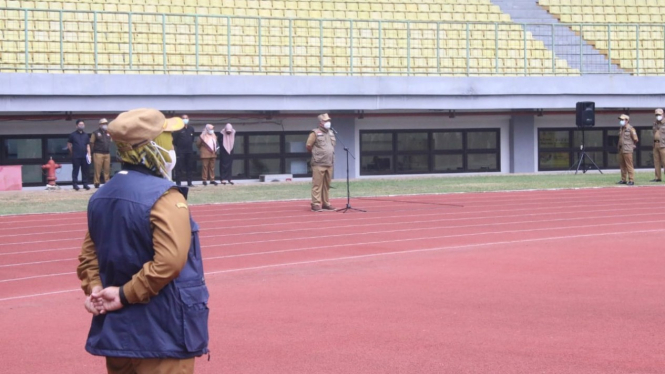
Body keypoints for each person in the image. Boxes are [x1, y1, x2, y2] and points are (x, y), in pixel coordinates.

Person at [77, 108, 209, 374]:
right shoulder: (166, 197)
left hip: (118, 334)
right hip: (163, 334)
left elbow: (88, 256)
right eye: (168, 138)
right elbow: (169, 262)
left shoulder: (101, 196)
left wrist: (96, 289)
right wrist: (124, 295)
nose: (172, 145)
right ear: (154, 146)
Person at [306, 113, 336, 212]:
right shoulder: (315, 133)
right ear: (320, 123)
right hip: (318, 163)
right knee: (317, 184)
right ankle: (316, 203)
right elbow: (308, 145)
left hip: (329, 163)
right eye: (326, 121)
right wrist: (316, 154)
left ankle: (326, 203)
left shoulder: (331, 132)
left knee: (327, 185)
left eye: (329, 121)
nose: (328, 123)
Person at [67, 119, 91, 191]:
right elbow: (69, 144)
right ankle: (75, 184)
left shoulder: (86, 135)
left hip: (84, 156)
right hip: (76, 155)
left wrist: (89, 155)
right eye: (80, 124)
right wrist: (72, 152)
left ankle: (85, 184)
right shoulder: (72, 135)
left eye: (82, 124)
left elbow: (88, 145)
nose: (81, 126)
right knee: (75, 170)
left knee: (85, 170)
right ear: (76, 126)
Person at [172, 114, 195, 187]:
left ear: (189, 119)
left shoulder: (191, 128)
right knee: (179, 167)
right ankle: (178, 183)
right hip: (180, 151)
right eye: (183, 118)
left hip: (189, 151)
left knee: (189, 167)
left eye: (186, 118)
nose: (185, 119)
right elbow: (174, 141)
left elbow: (192, 139)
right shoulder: (178, 129)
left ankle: (189, 182)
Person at [90, 118, 112, 188]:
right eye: (103, 124)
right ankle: (97, 182)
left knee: (107, 169)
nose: (105, 125)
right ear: (100, 125)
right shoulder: (95, 133)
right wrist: (92, 152)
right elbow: (92, 143)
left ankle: (107, 182)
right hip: (98, 153)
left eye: (106, 124)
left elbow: (110, 141)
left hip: (107, 153)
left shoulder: (108, 133)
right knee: (97, 169)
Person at [617, 114, 639, 186]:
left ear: (627, 120)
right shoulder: (621, 128)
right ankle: (623, 179)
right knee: (622, 165)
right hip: (621, 149)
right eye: (620, 120)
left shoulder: (631, 129)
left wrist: (633, 145)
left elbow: (635, 139)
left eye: (622, 120)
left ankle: (631, 180)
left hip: (627, 149)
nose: (621, 121)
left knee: (629, 165)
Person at [652, 109, 665, 182]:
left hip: (663, 145)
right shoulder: (655, 123)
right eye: (656, 115)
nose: (658, 116)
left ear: (663, 114)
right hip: (656, 144)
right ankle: (658, 177)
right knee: (656, 162)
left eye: (659, 114)